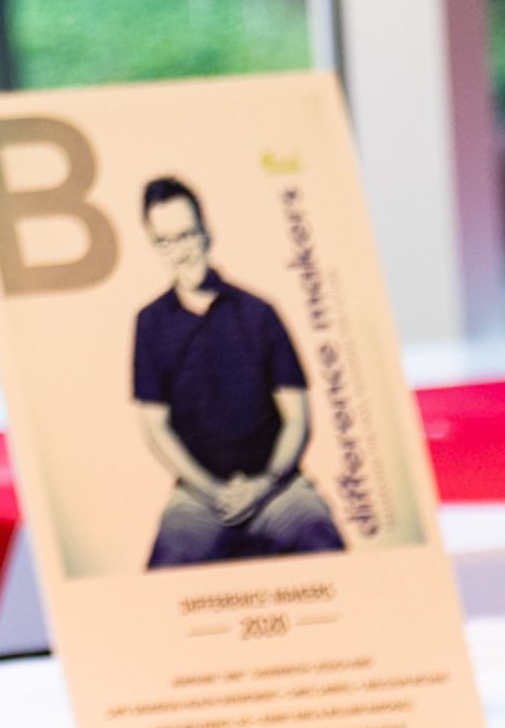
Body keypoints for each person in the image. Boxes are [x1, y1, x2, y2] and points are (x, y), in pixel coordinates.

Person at [132, 176, 347, 569]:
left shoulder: (259, 313)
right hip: (197, 494)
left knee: (323, 544)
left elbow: (297, 417)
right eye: (166, 241)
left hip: (278, 485)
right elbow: (155, 428)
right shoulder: (149, 323)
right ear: (154, 247)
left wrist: (264, 485)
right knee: (165, 572)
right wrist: (212, 491)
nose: (180, 251)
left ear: (207, 234)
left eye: (187, 235)